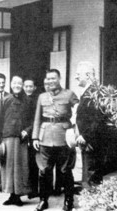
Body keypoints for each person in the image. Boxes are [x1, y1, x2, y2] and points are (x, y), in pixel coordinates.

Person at [32, 69, 79, 211]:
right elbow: (37, 118)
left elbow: (79, 111)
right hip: (45, 137)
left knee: (65, 170)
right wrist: (35, 137)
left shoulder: (69, 94)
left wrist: (75, 131)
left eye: (53, 78)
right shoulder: (42, 96)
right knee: (44, 171)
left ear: (59, 79)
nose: (50, 81)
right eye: (48, 79)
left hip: (63, 137)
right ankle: (43, 200)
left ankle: (68, 201)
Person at [0, 76, 32, 206]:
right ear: (11, 84)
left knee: (20, 168)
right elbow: (0, 120)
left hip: (21, 140)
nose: (17, 85)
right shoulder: (6, 99)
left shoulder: (28, 101)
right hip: (7, 138)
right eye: (14, 83)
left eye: (19, 83)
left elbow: (33, 120)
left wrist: (27, 130)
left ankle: (18, 196)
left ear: (22, 85)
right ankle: (11, 195)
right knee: (8, 168)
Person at [75, 61, 110, 189]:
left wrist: (86, 136)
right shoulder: (88, 92)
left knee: (91, 176)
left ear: (88, 75)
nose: (76, 77)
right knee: (88, 175)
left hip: (93, 142)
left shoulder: (95, 93)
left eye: (79, 74)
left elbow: (99, 118)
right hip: (89, 141)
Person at [23, 78, 39, 198]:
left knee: (33, 163)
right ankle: (25, 188)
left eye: (30, 86)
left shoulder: (37, 100)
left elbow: (36, 119)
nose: (28, 88)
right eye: (26, 86)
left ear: (35, 88)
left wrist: (28, 131)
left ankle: (34, 190)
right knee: (24, 163)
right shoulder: (21, 99)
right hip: (21, 134)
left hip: (33, 134)